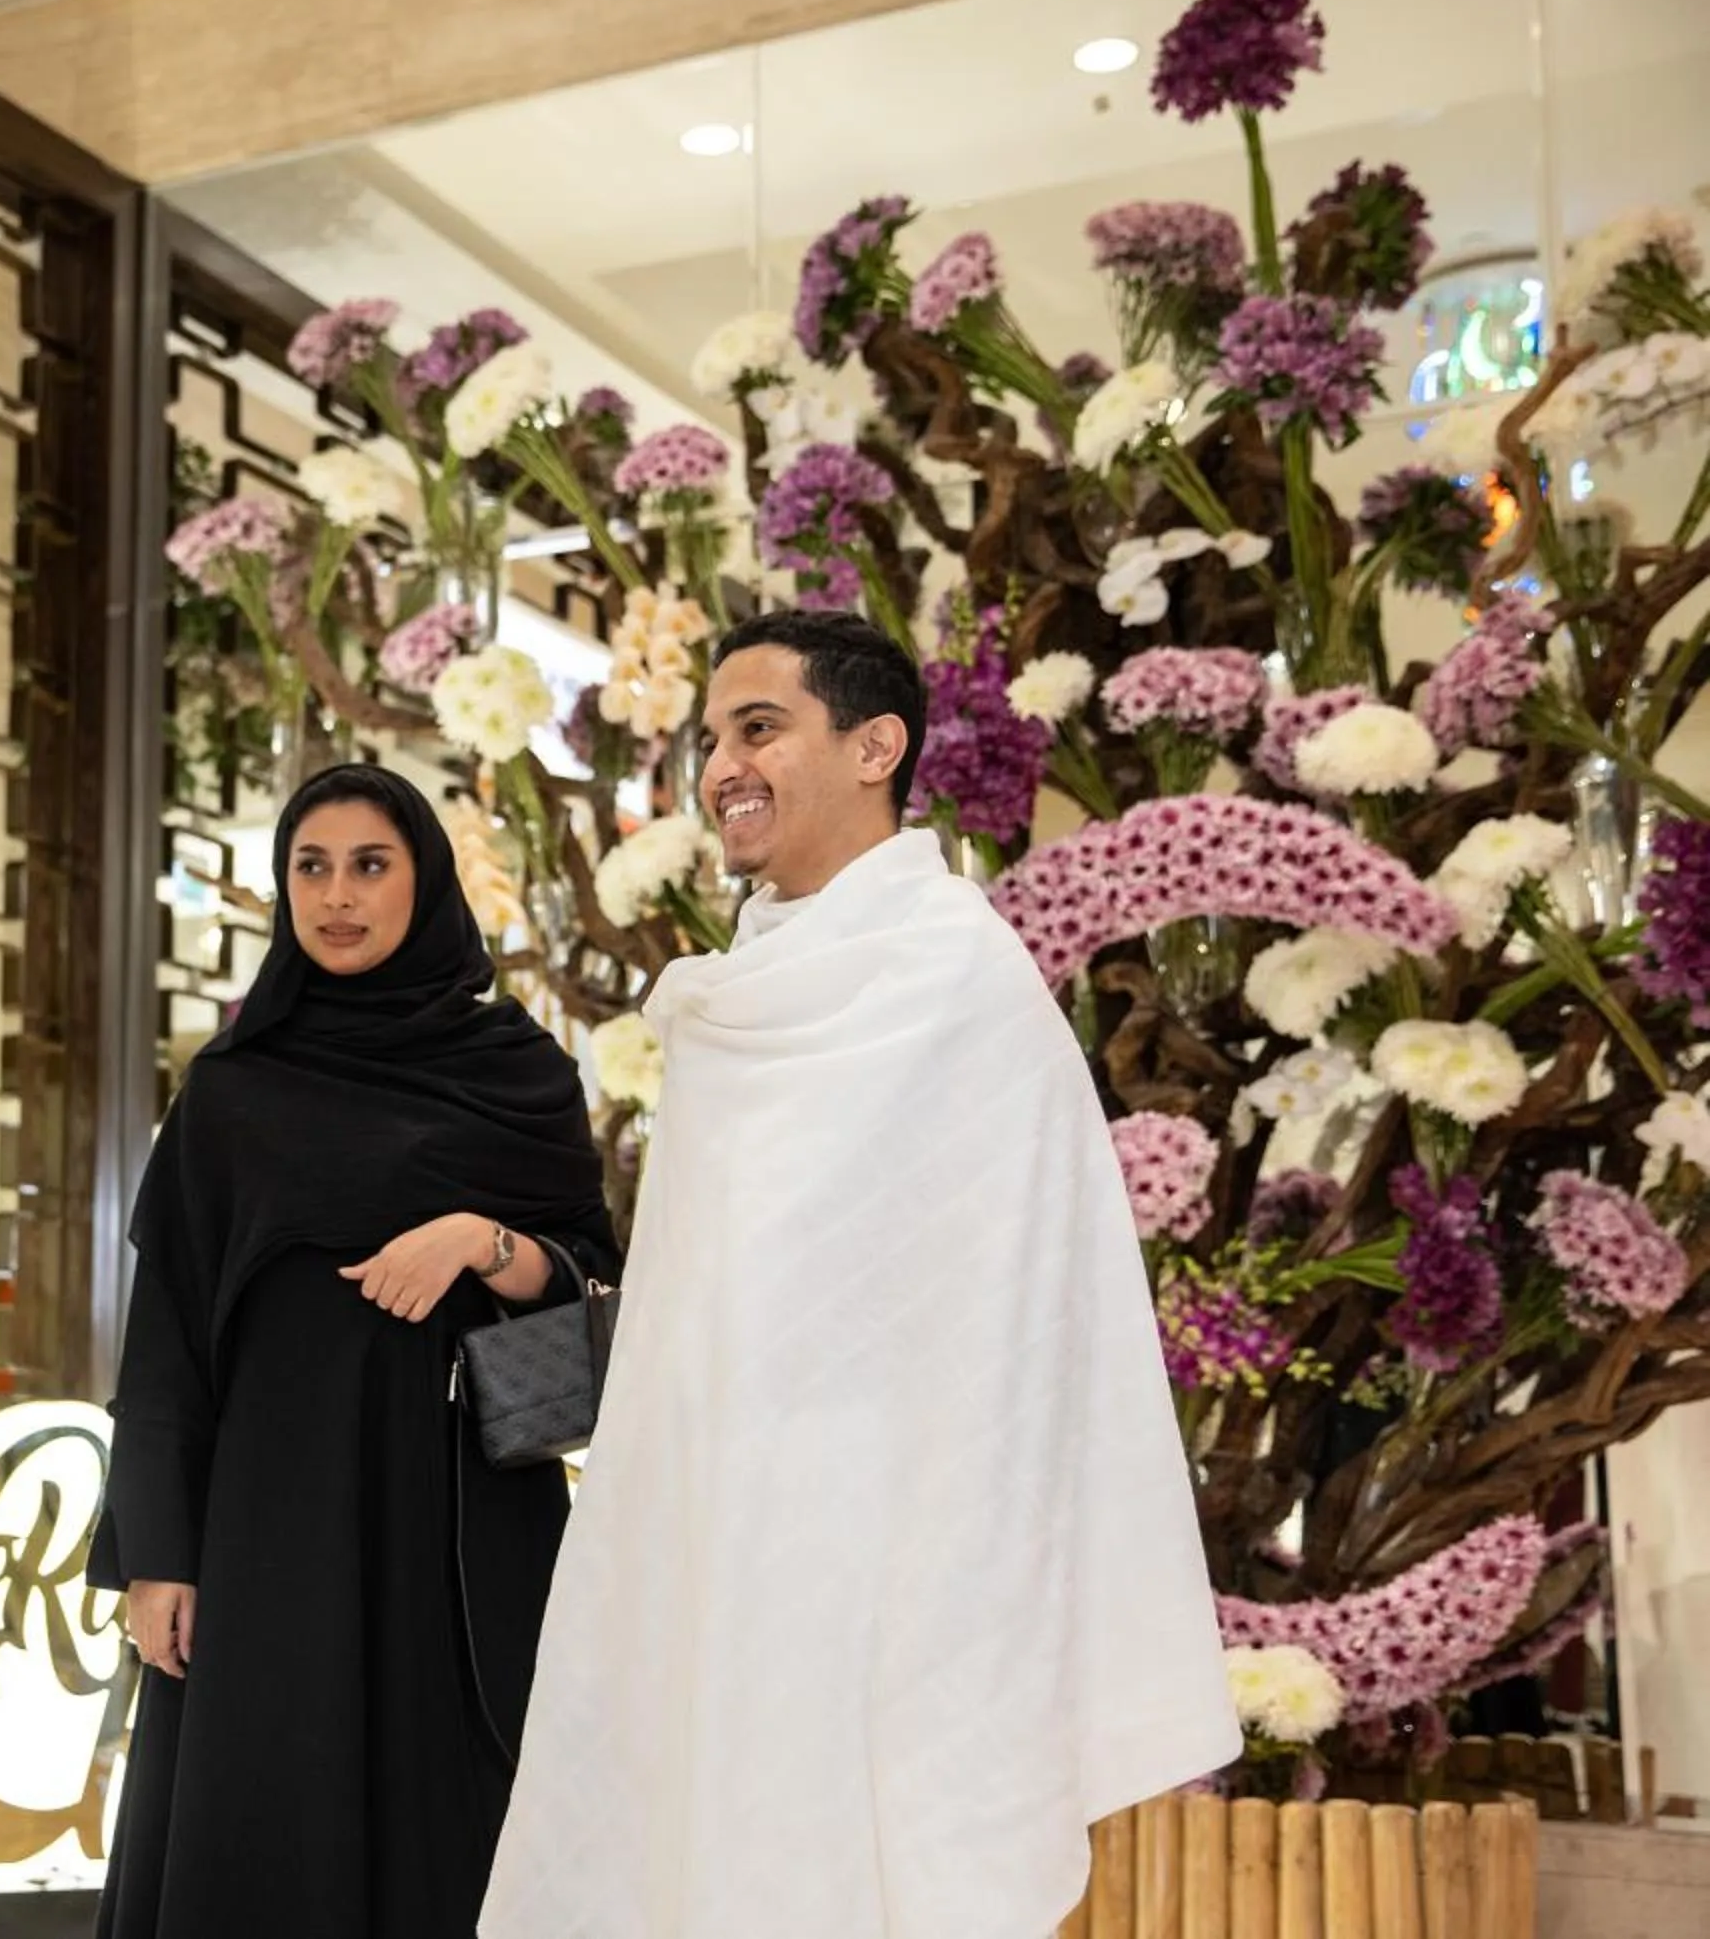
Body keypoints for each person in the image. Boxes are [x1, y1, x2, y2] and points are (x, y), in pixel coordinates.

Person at [484, 614, 1237, 1938]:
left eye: (758, 727)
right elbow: (694, 1313)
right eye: (710, 737)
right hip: (714, 1540)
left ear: (877, 745)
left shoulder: (961, 983)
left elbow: (1029, 1316)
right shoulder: (734, 1003)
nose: (719, 765)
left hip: (904, 1555)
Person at [91, 763, 622, 1939]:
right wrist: (157, 1557)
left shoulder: (516, 1071)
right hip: (268, 1533)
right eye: (310, 867)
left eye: (370, 865)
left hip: (461, 1527)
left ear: (423, 881)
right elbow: (168, 1341)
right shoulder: (230, 1092)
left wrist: (477, 1242)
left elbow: (588, 1268)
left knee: (466, 1823)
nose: (337, 896)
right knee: (270, 1811)